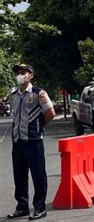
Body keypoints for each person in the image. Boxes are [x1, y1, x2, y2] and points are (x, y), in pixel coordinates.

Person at [7, 64, 55, 220]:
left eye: (23, 72)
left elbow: (50, 113)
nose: (20, 75)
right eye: (18, 73)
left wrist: (39, 128)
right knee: (19, 176)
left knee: (38, 175)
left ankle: (40, 208)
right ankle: (22, 207)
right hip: (17, 140)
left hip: (33, 140)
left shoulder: (38, 93)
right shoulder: (13, 94)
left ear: (31, 75)